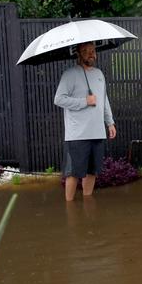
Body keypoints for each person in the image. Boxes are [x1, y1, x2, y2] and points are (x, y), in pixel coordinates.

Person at [54, 42, 116, 201]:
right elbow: (59, 99)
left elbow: (104, 100)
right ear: (78, 54)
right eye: (86, 51)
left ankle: (87, 207)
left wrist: (110, 122)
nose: (91, 54)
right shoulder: (70, 74)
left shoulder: (99, 74)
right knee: (73, 173)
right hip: (77, 135)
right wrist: (84, 101)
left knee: (91, 172)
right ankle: (70, 209)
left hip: (97, 132)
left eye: (92, 50)